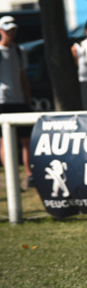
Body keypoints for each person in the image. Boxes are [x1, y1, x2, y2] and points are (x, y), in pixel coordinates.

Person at [0, 15, 32, 188]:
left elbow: (23, 77)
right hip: (2, 101)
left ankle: (29, 175)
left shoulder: (20, 51)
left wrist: (27, 99)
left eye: (12, 29)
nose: (10, 33)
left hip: (19, 100)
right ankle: (11, 177)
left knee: (26, 140)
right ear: (0, 31)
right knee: (5, 141)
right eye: (6, 29)